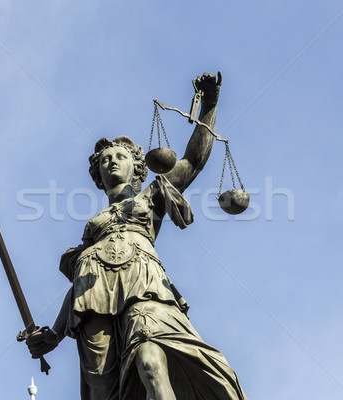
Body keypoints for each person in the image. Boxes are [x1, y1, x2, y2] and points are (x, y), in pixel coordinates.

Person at [26, 72, 246, 400]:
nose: (111, 161)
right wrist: (55, 334)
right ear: (97, 174)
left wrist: (210, 106)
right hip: (93, 299)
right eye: (104, 160)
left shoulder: (151, 197)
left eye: (119, 156)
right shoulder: (93, 226)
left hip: (143, 284)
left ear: (136, 166)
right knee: (102, 389)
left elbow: (194, 160)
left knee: (151, 359)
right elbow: (80, 283)